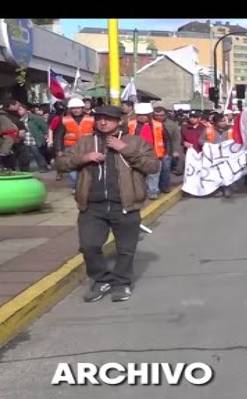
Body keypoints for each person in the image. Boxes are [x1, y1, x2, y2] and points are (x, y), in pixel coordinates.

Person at [55, 105, 160, 303]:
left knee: (125, 249)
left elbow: (153, 166)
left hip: (125, 205)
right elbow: (60, 163)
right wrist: (83, 158)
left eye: (108, 119)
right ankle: (101, 279)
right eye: (99, 118)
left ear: (119, 120)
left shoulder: (135, 142)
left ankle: (121, 283)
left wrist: (125, 150)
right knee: (89, 246)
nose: (103, 122)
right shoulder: (85, 142)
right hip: (93, 206)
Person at [127, 103, 169, 200]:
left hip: (154, 154)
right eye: (139, 115)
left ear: (149, 115)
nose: (142, 117)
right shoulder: (131, 124)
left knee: (153, 174)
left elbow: (166, 139)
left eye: (144, 115)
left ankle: (153, 191)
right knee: (138, 174)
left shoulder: (158, 125)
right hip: (137, 153)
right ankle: (140, 192)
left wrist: (166, 152)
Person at [60, 98, 95, 189]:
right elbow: (59, 135)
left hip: (88, 147)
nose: (76, 110)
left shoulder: (92, 118)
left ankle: (86, 186)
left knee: (87, 168)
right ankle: (77, 187)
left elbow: (96, 132)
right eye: (73, 108)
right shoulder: (64, 119)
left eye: (78, 108)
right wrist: (58, 149)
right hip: (70, 147)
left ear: (82, 108)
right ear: (70, 109)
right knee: (72, 168)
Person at [152, 106, 181, 184]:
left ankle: (165, 187)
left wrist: (175, 151)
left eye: (161, 115)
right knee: (154, 171)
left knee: (165, 170)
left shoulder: (172, 124)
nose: (159, 117)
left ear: (166, 115)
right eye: (156, 115)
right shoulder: (150, 124)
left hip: (167, 151)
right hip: (153, 151)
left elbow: (176, 139)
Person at [21, 103, 51, 172]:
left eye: (21, 109)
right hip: (25, 140)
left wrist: (46, 135)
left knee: (38, 154)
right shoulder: (19, 119)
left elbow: (44, 127)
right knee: (25, 156)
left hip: (34, 139)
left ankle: (43, 167)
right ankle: (24, 170)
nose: (19, 111)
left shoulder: (34, 118)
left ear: (26, 110)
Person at [0, 97, 27, 170]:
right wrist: (17, 132)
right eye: (18, 105)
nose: (19, 107)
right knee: (10, 161)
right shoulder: (3, 115)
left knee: (23, 159)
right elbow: (8, 131)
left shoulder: (15, 114)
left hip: (17, 140)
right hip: (10, 142)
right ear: (11, 106)